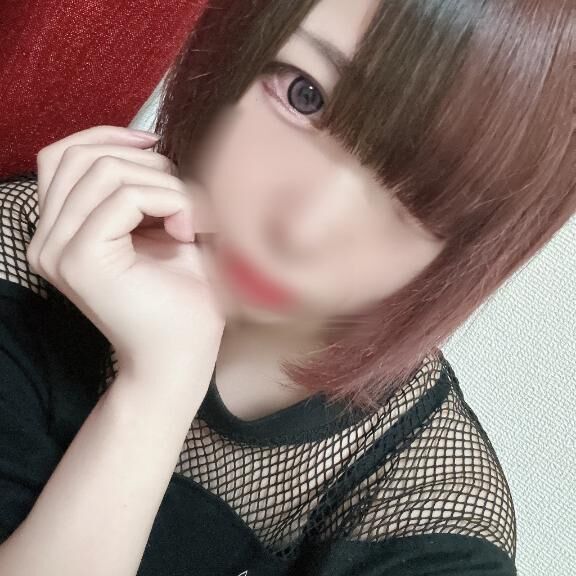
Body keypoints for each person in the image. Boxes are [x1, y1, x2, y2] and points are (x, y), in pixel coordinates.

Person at [0, 0, 572, 574]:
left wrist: (158, 386)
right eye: (305, 96)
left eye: (429, 193)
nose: (302, 231)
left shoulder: (429, 505)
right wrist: (155, 387)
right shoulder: (20, 253)